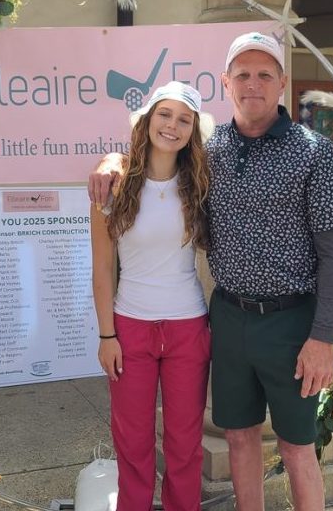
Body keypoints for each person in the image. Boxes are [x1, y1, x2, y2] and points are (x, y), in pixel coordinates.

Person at [89, 33, 333, 511]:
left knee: (296, 446)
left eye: (265, 75)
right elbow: (151, 167)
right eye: (243, 75)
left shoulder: (314, 151)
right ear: (227, 83)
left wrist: (323, 337)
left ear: (282, 82)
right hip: (227, 317)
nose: (253, 84)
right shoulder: (213, 153)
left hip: (290, 322)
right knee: (237, 437)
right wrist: (111, 161)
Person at [90, 80, 214, 511]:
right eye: (164, 114)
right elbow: (102, 268)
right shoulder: (114, 186)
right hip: (130, 329)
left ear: (193, 131)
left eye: (184, 120)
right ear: (146, 120)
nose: (172, 126)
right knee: (132, 442)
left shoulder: (201, 185)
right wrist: (107, 336)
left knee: (185, 444)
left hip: (187, 328)